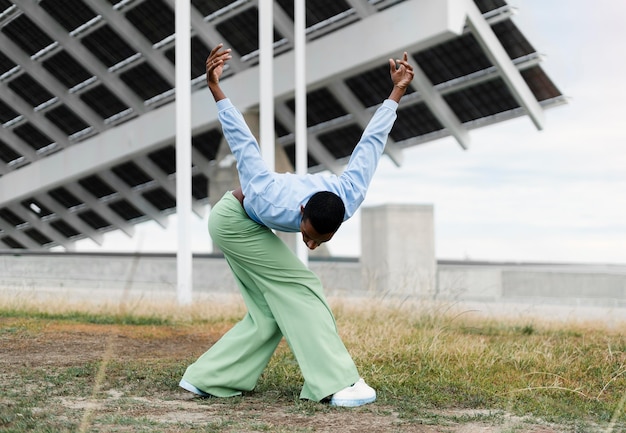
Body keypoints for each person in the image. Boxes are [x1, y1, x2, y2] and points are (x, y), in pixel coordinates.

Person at [180, 44, 414, 407]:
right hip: (232, 221)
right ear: (301, 210)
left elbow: (371, 143)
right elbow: (243, 141)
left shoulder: (349, 194)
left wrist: (397, 90)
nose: (310, 244)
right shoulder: (268, 194)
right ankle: (336, 383)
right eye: (307, 235)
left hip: (248, 225)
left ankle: (206, 378)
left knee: (269, 313)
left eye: (319, 241)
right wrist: (215, 88)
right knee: (303, 286)